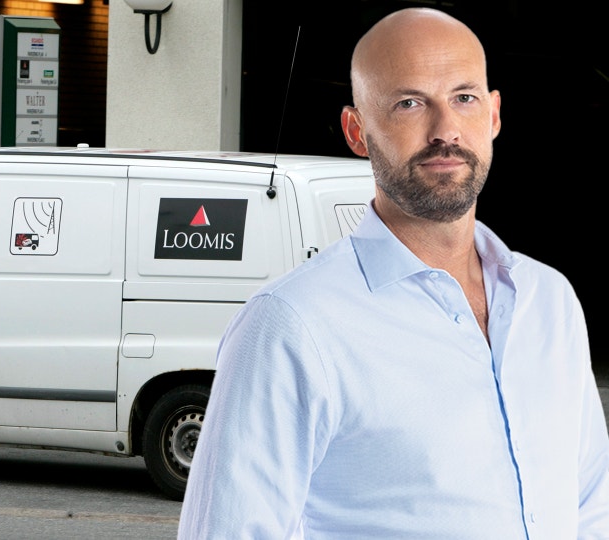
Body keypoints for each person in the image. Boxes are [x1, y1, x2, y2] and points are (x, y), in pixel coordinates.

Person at [178, 8, 609, 539]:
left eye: (464, 98)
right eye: (409, 103)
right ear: (357, 131)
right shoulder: (291, 326)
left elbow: (591, 505)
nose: (446, 130)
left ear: (494, 115)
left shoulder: (550, 300)